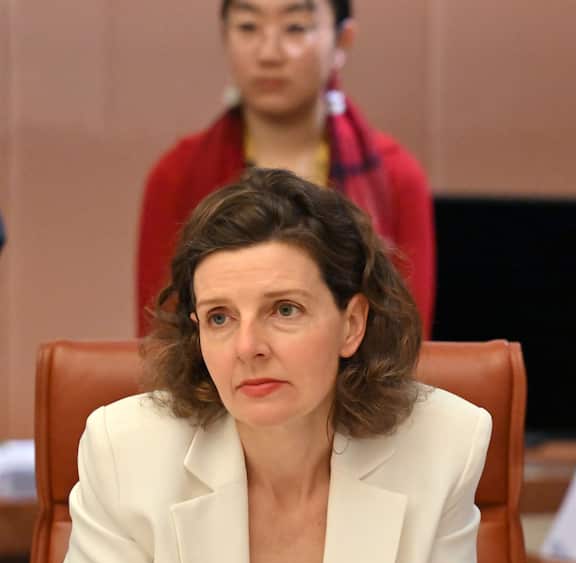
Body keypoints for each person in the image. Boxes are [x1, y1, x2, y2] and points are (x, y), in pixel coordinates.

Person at [38, 168, 502, 563]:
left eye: (285, 310)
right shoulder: (128, 448)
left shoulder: (441, 443)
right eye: (219, 317)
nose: (248, 346)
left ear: (352, 324)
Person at [135, 0, 435, 337]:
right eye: (248, 27)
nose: (269, 53)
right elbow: (159, 336)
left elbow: (407, 337)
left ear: (342, 40)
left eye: (295, 27)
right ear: (225, 36)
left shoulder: (395, 176)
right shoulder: (178, 175)